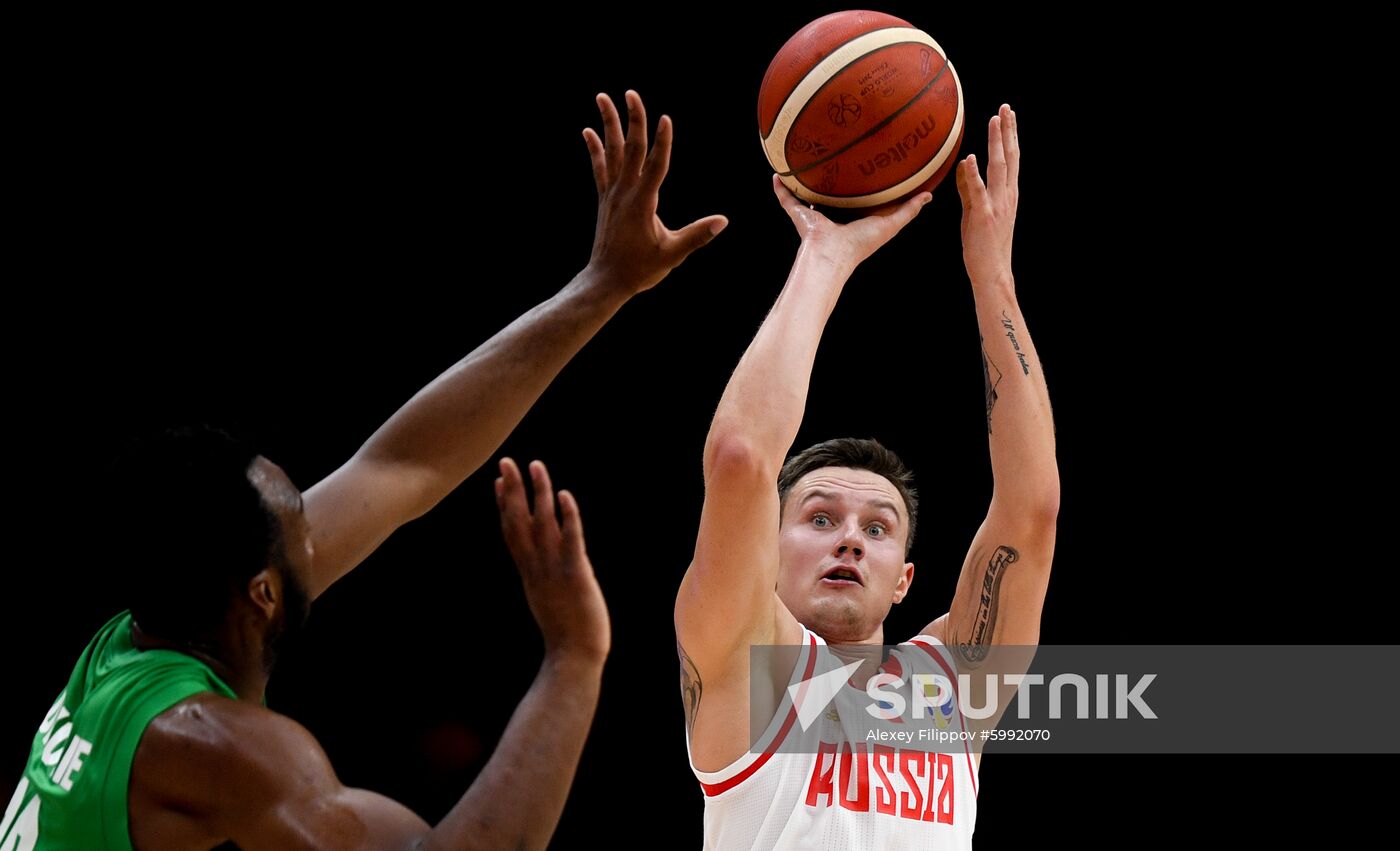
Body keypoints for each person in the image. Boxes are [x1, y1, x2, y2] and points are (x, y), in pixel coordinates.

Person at [2, 89, 725, 851]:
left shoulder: (140, 637)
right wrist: (575, 656)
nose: (315, 521)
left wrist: (600, 286)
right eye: (297, 526)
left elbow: (403, 464)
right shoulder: (213, 747)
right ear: (262, 592)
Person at [674, 104, 1058, 849]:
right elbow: (741, 460)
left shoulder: (950, 689)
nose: (849, 539)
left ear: (906, 578)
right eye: (819, 518)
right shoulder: (740, 665)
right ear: (769, 550)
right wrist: (824, 255)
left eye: (876, 529)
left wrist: (992, 277)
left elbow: (1031, 507)